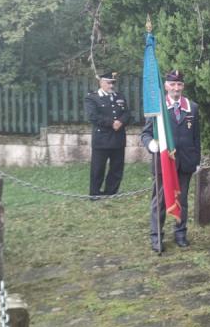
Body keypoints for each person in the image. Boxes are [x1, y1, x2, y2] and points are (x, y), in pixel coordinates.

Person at [141, 70, 201, 253]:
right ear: (166, 86)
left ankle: (180, 233)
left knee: (182, 200)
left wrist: (196, 160)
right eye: (172, 84)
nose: (176, 88)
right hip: (164, 163)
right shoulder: (158, 108)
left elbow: (196, 137)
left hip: (185, 162)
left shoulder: (192, 107)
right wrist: (151, 144)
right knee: (159, 201)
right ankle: (156, 236)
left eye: (179, 84)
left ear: (183, 86)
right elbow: (145, 133)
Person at [84, 71, 131, 198]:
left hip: (118, 138)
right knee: (98, 168)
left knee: (117, 167)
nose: (111, 86)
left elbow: (127, 113)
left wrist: (121, 121)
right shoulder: (92, 98)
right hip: (102, 139)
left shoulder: (119, 96)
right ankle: (95, 194)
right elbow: (93, 116)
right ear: (101, 82)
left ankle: (111, 192)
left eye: (113, 83)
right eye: (108, 83)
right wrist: (111, 123)